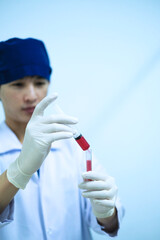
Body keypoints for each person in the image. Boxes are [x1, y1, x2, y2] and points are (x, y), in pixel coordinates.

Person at [0, 37, 124, 240]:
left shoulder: (71, 146)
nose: (31, 95)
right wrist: (19, 169)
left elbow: (110, 226)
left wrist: (106, 214)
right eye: (18, 84)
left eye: (39, 83)